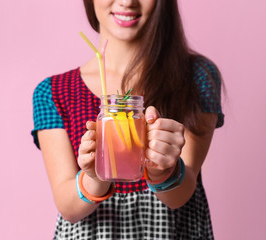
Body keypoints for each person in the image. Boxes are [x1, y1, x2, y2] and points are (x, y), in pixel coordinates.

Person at [31, 0, 224, 239]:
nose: (127, 1)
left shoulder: (198, 77)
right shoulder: (54, 92)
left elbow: (181, 195)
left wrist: (163, 170)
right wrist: (94, 178)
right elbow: (68, 207)